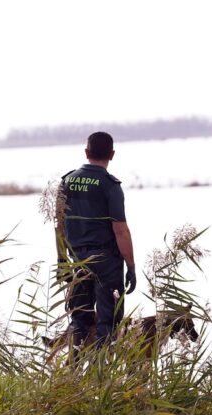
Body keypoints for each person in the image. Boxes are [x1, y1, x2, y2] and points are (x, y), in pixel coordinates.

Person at [55, 131, 136, 350]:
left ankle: (74, 372)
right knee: (108, 322)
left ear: (86, 152)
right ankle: (103, 374)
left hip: (77, 259)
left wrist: (62, 261)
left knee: (79, 321)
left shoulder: (67, 181)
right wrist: (130, 265)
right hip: (106, 262)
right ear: (112, 154)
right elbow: (120, 230)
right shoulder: (110, 185)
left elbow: (60, 227)